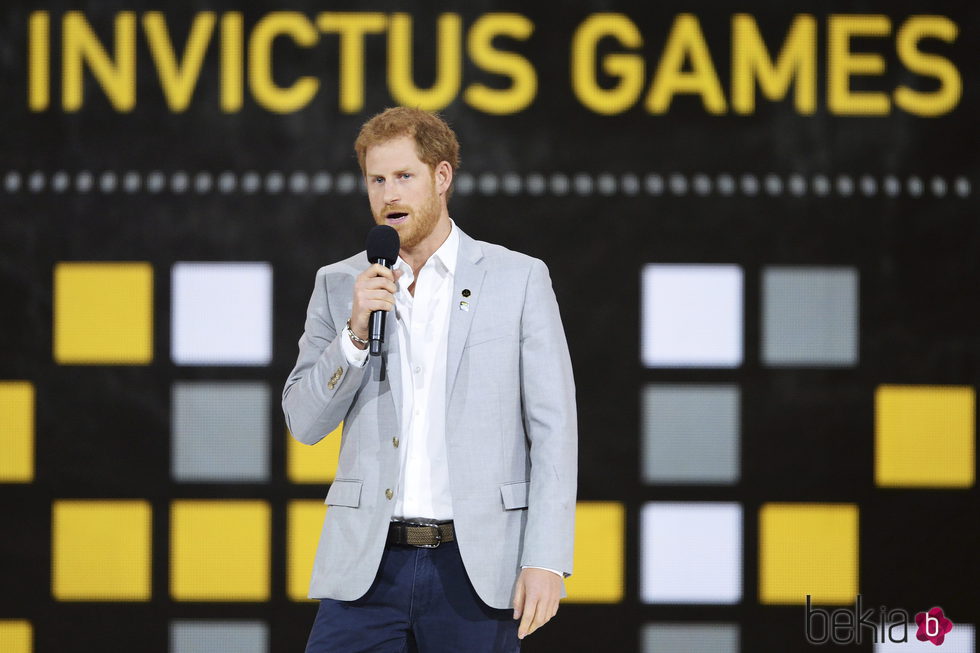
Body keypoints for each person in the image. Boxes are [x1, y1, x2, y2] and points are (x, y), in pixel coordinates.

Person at [282, 106, 577, 653]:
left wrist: (546, 557)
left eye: (404, 177)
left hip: (474, 567)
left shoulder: (518, 279)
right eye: (377, 179)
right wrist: (352, 334)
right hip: (367, 566)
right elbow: (303, 421)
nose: (389, 194)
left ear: (441, 178)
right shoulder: (339, 284)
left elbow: (554, 429)